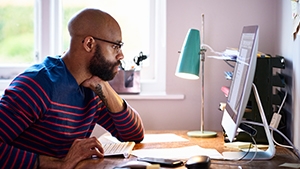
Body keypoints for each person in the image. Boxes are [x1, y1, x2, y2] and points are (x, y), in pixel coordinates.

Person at [0, 8, 144, 169]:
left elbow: (134, 135)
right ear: (89, 44)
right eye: (116, 46)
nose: (121, 55)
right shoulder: (36, 85)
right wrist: (60, 164)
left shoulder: (91, 86)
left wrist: (103, 86)